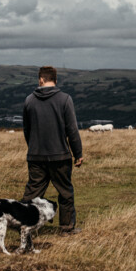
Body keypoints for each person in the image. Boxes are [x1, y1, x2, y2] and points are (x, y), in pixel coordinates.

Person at [21, 66, 84, 234]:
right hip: (60, 156)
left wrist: (33, 146)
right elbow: (72, 129)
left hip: (36, 156)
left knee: (32, 194)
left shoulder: (29, 100)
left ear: (41, 79)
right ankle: (66, 227)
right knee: (65, 192)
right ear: (55, 80)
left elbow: (27, 130)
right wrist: (78, 153)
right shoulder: (65, 99)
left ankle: (25, 226)